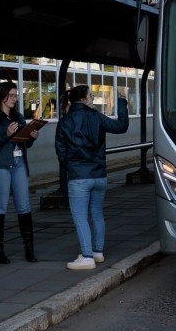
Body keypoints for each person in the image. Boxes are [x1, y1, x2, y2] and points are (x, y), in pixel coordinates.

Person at [55, 86, 129, 270]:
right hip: (99, 175)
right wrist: (121, 102)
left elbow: (61, 152)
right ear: (82, 99)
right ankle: (98, 252)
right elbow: (121, 126)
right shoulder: (97, 116)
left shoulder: (65, 121)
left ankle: (87, 257)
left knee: (80, 217)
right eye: (91, 95)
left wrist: (72, 167)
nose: (93, 98)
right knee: (97, 214)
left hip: (79, 176)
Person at [0, 81, 39, 264]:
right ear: (3, 96)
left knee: (24, 206)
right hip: (0, 165)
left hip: (19, 164)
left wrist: (31, 136)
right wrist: (6, 134)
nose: (15, 99)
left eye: (16, 96)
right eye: (12, 95)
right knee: (0, 207)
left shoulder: (18, 117)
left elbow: (24, 144)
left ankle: (29, 249)